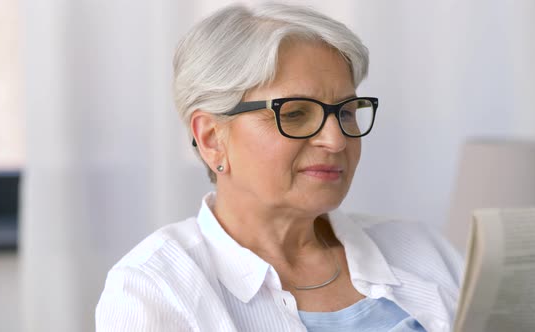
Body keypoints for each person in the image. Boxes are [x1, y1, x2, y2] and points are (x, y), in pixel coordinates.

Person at [96, 3, 463, 331]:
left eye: (347, 112)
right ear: (211, 138)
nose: (336, 141)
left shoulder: (423, 250)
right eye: (296, 114)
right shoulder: (155, 288)